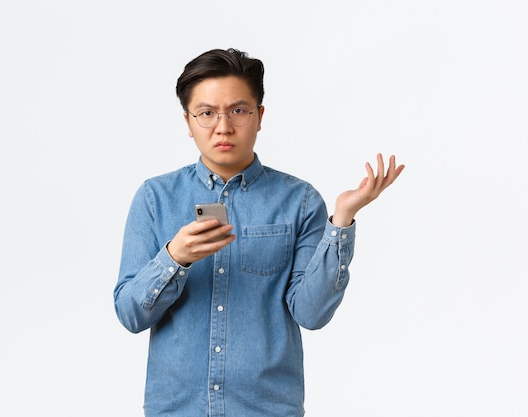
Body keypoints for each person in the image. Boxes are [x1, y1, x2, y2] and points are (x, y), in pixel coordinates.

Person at [114, 47, 405, 417]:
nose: (223, 126)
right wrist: (175, 258)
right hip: (177, 410)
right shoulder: (154, 199)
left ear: (259, 116)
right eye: (206, 113)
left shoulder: (298, 201)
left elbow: (312, 314)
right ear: (187, 122)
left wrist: (342, 220)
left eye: (238, 110)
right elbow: (129, 315)